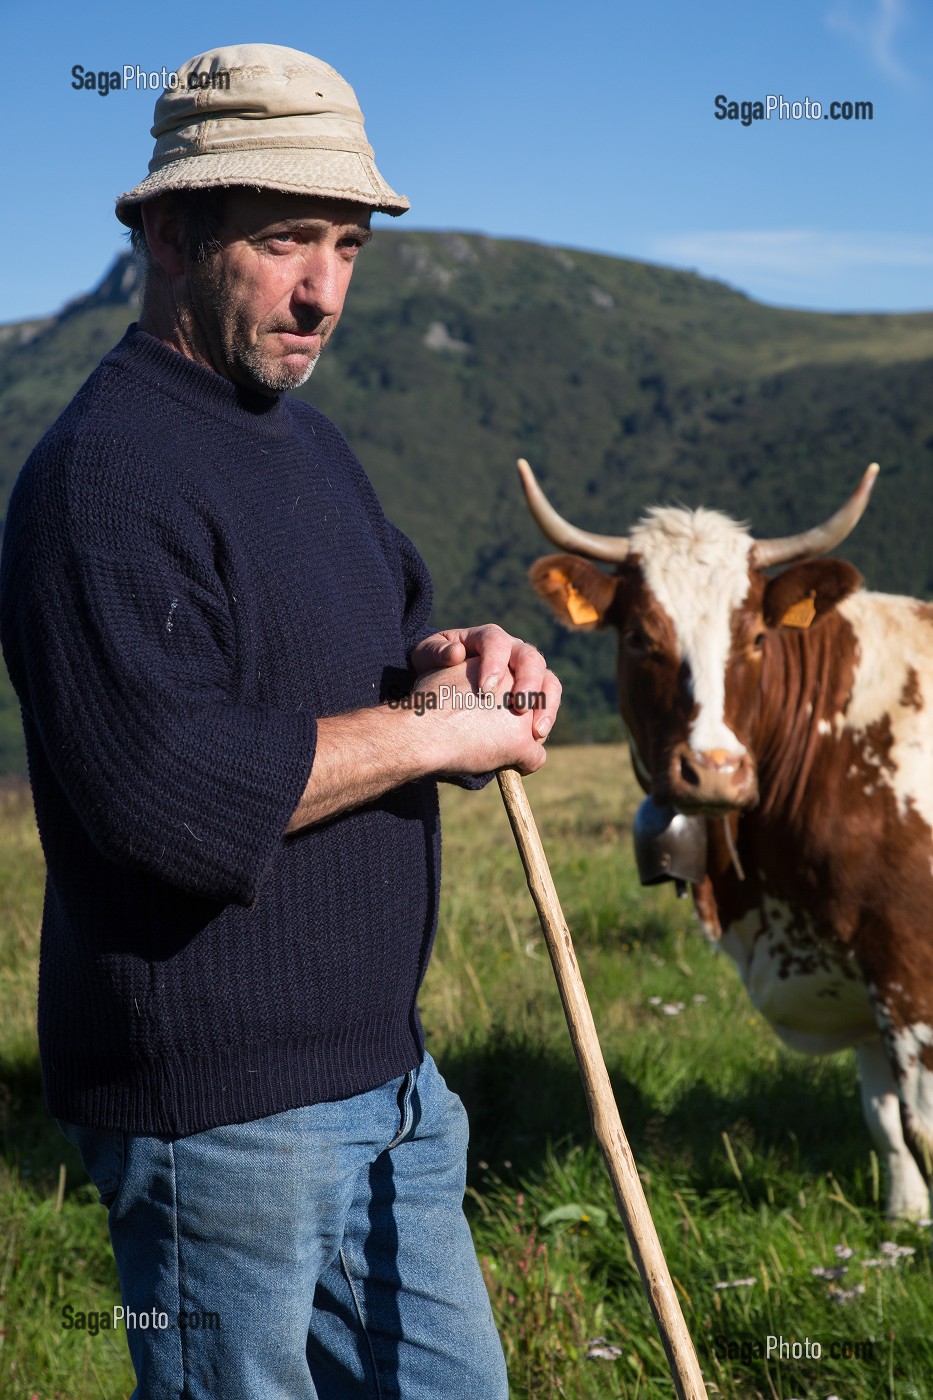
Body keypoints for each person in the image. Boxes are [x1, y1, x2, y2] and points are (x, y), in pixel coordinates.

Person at [0, 43, 561, 1400]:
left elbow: (391, 634)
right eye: (287, 241)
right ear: (174, 234)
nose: (323, 290)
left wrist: (458, 651)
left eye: (349, 246)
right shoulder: (105, 479)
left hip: (390, 1079)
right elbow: (171, 799)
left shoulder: (300, 438)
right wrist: (436, 732)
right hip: (221, 1115)